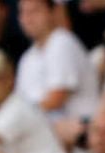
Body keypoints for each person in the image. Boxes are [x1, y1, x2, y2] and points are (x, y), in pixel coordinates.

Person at [16, 0, 99, 141]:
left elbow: (56, 98)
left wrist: (19, 117)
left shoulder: (62, 41)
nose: (28, 18)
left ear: (52, 13)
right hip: (42, 129)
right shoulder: (27, 58)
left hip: (82, 128)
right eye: (23, 13)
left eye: (34, 11)